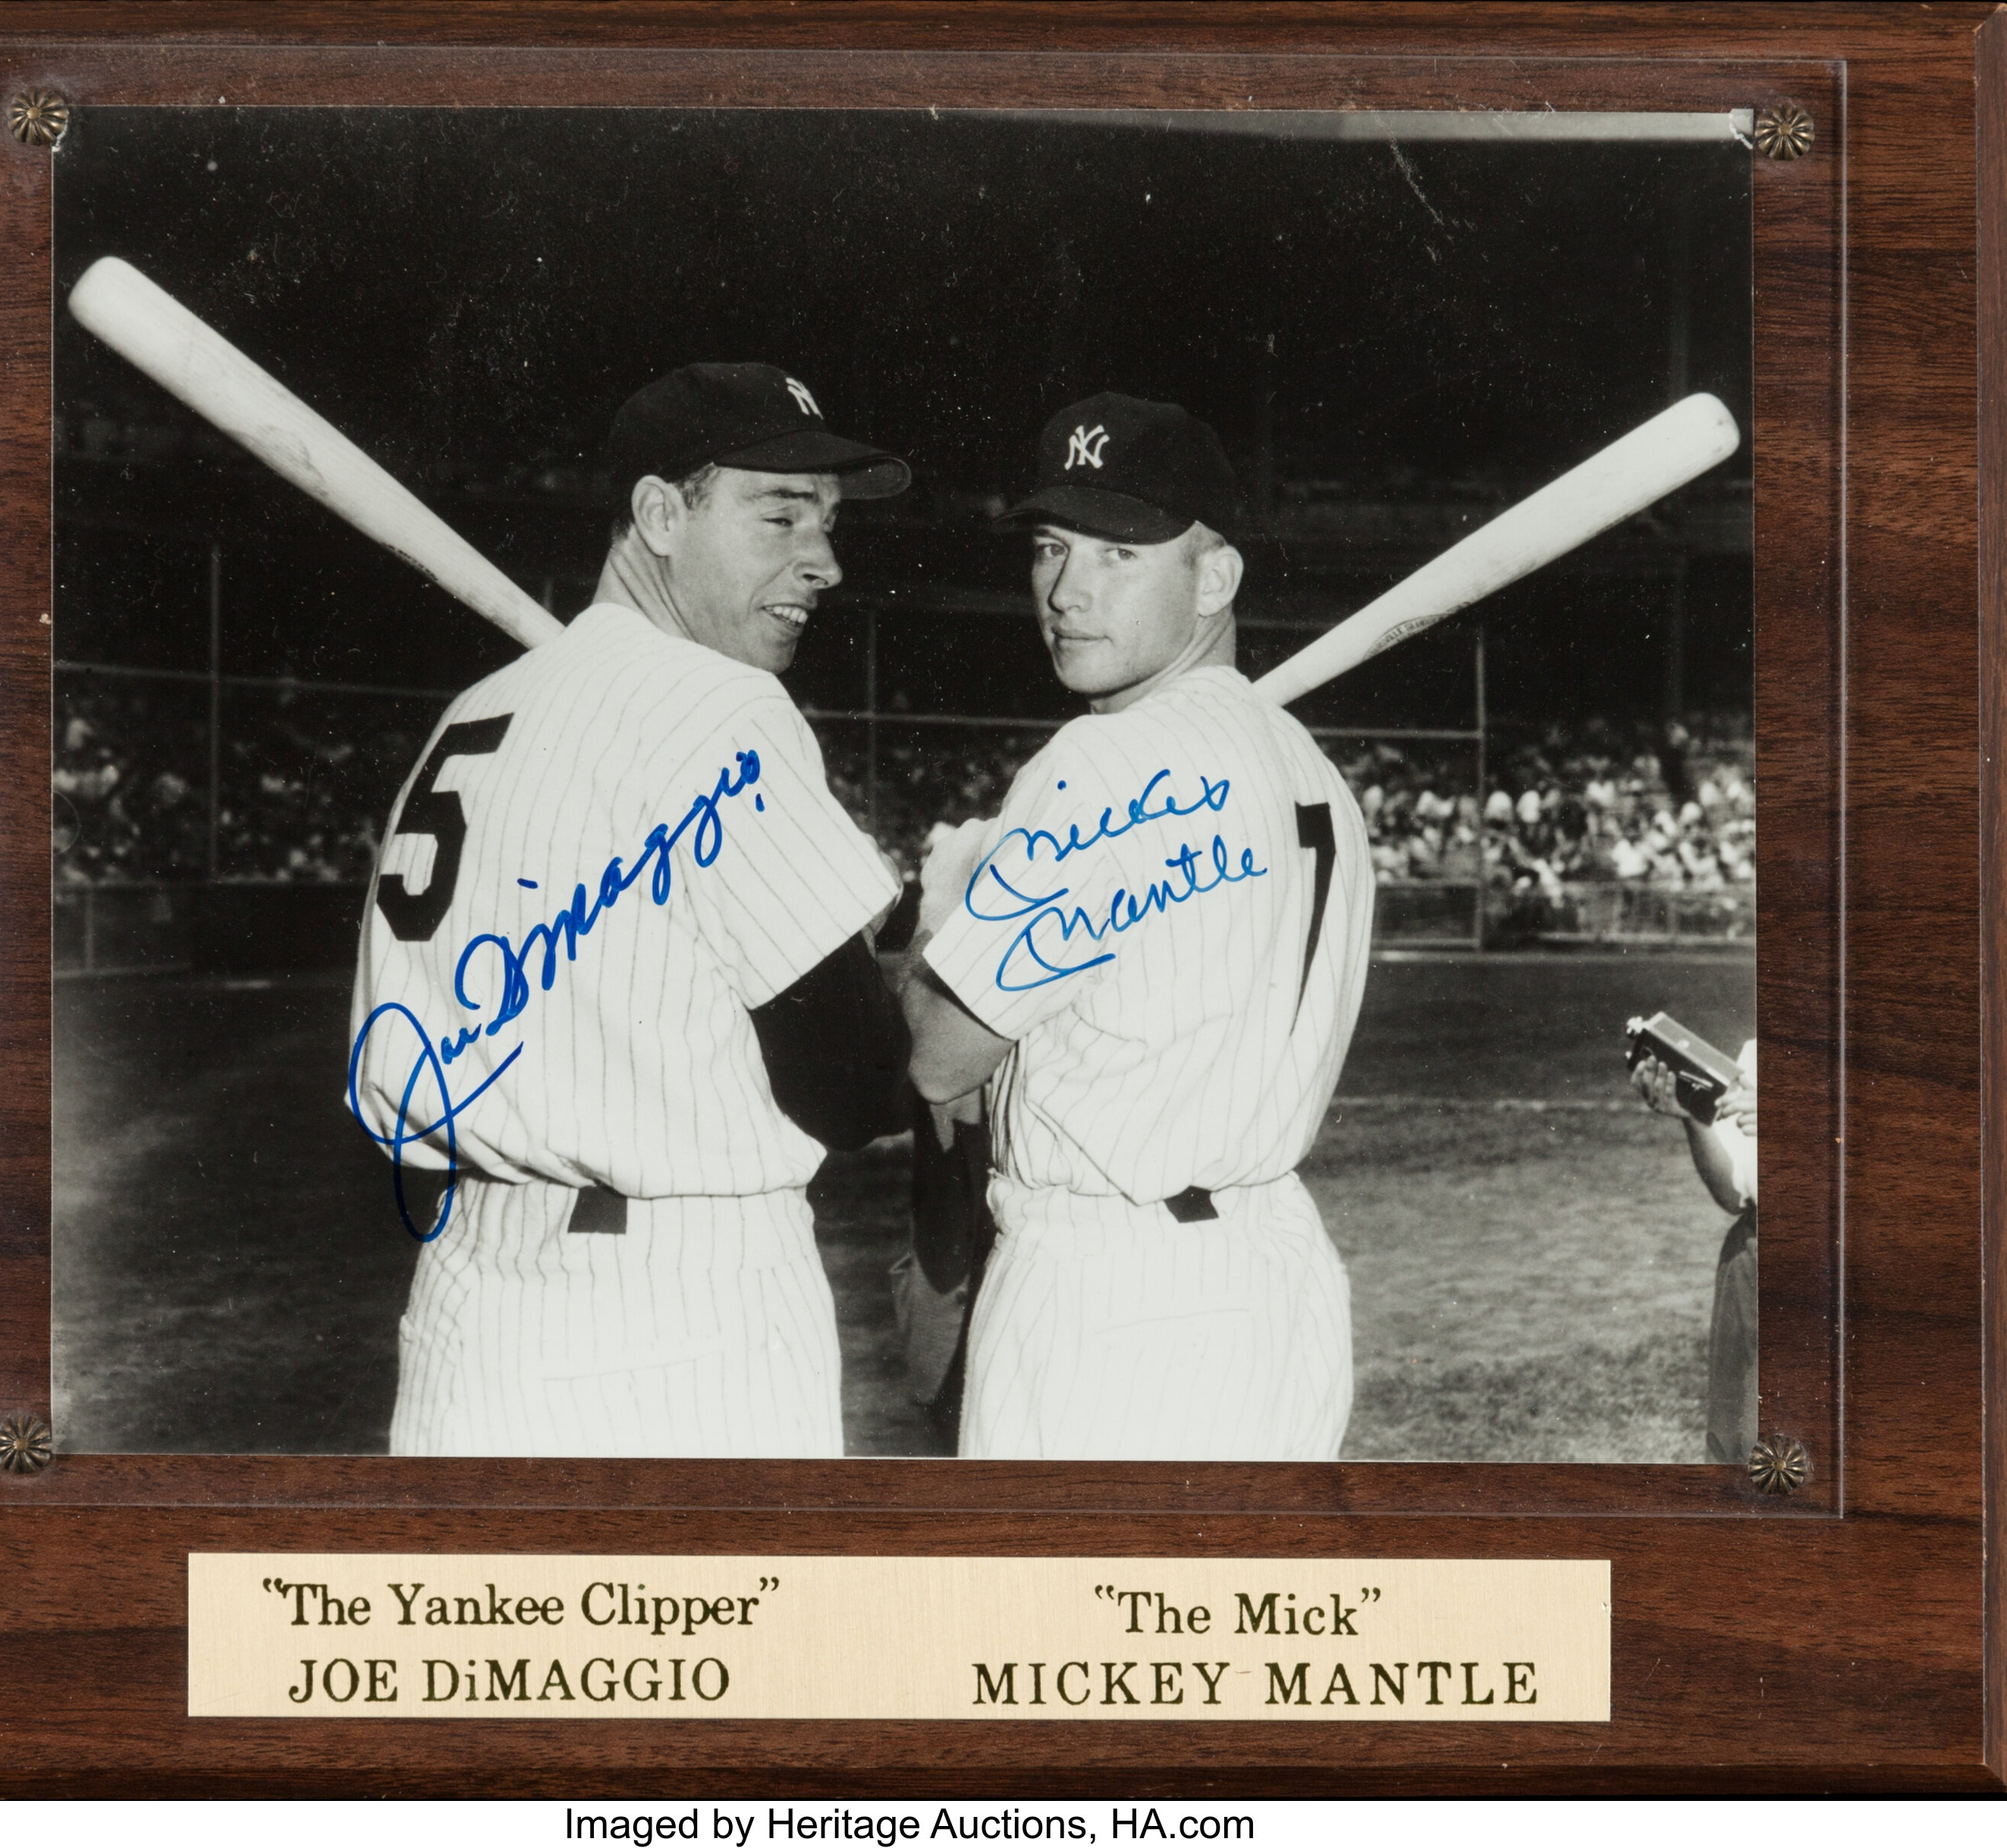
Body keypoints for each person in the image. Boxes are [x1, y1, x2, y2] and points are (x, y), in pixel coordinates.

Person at [348, 362, 913, 1457]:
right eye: (780, 514)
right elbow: (855, 1088)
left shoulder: (476, 714)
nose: (826, 561)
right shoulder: (723, 708)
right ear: (661, 514)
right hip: (680, 1313)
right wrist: (922, 954)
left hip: (467, 1307)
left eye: (831, 522)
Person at [898, 393, 1376, 1460]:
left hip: (1107, 1299)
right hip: (1277, 1282)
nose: (1065, 591)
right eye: (1051, 548)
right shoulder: (1316, 773)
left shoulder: (1095, 764)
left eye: (1118, 554)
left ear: (1214, 578)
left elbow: (940, 1062)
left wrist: (944, 917)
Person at [1632, 1039, 1759, 1463]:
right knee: (1742, 1451)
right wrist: (1694, 1119)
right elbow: (1732, 1191)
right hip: (1756, 1260)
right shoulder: (1759, 1054)